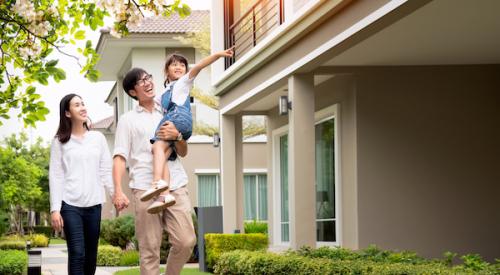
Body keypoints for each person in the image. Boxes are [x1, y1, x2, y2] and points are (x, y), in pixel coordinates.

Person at [112, 67, 194, 275]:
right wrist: (118, 191)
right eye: (141, 82)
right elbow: (120, 157)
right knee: (149, 249)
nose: (148, 83)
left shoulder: (169, 109)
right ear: (133, 92)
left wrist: (178, 136)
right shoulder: (128, 120)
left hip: (175, 183)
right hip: (144, 187)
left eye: (148, 78)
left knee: (186, 241)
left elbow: (182, 152)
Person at [141, 49, 234, 214]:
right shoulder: (163, 93)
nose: (179, 67)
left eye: (182, 65)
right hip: (179, 124)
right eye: (174, 65)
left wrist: (217, 55)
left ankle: (157, 182)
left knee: (156, 147)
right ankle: (165, 195)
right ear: (166, 71)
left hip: (177, 120)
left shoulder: (184, 82)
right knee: (164, 154)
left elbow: (198, 67)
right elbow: (147, 100)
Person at [49, 93, 114, 275]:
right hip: (70, 205)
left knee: (91, 255)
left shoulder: (98, 138)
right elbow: (55, 176)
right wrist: (55, 209)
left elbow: (105, 170)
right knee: (77, 253)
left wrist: (115, 194)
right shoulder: (59, 142)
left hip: (94, 204)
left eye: (83, 103)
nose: (83, 107)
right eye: (77, 105)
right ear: (67, 113)